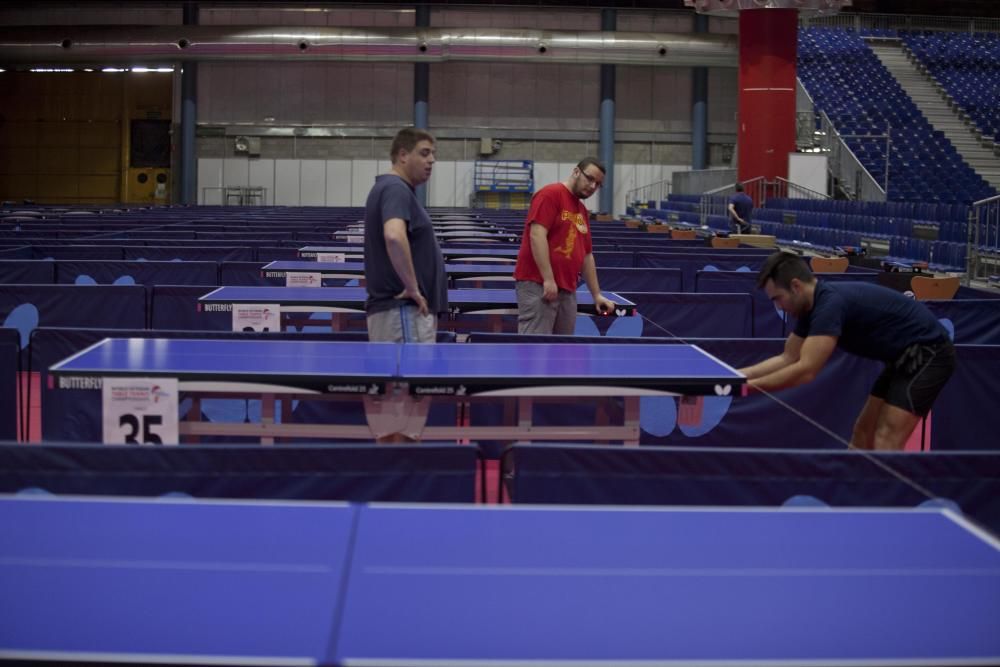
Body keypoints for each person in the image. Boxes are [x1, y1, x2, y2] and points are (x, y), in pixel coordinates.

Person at [738, 251, 955, 451]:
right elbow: (788, 357)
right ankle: (854, 490)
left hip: (929, 353)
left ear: (796, 286)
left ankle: (884, 493)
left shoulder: (829, 305)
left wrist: (746, 388)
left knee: (886, 437)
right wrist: (735, 376)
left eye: (777, 298)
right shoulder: (809, 307)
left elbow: (806, 371)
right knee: (862, 432)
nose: (779, 305)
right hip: (901, 356)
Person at [363, 127, 447, 343]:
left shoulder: (390, 188)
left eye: (433, 154)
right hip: (403, 312)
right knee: (408, 376)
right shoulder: (395, 188)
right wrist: (412, 288)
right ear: (402, 155)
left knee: (400, 377)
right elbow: (394, 235)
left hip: (400, 313)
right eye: (424, 153)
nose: (432, 160)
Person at [513, 157, 615, 335]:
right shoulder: (550, 194)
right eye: (589, 179)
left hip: (567, 290)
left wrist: (596, 295)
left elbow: (586, 255)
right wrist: (548, 279)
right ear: (576, 172)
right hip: (539, 285)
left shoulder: (581, 211)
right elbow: (537, 235)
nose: (592, 187)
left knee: (562, 353)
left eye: (597, 184)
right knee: (535, 351)